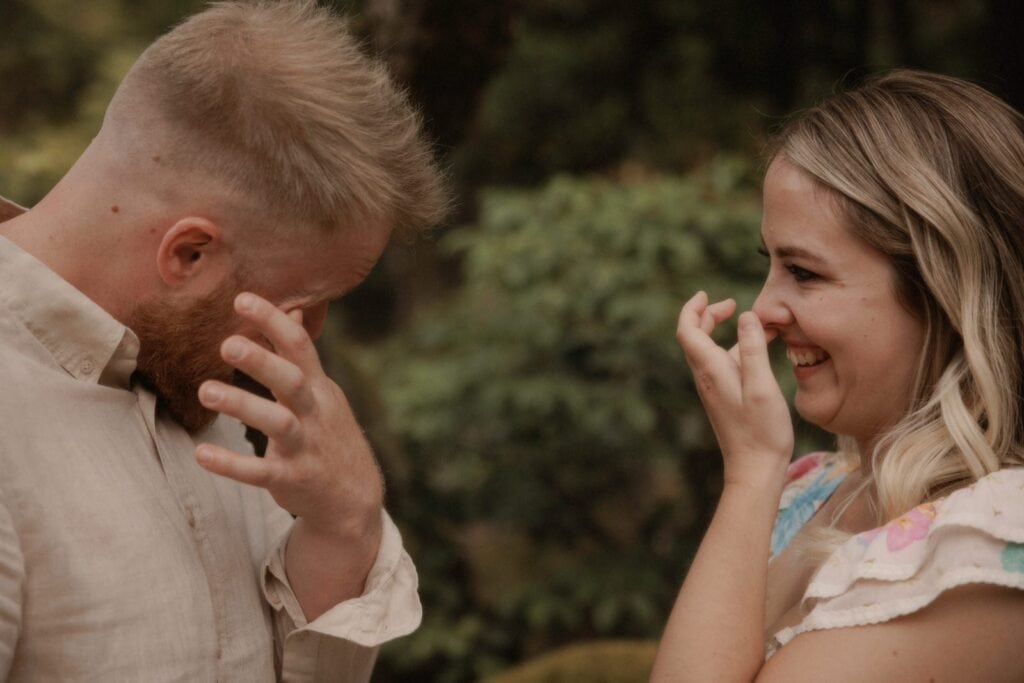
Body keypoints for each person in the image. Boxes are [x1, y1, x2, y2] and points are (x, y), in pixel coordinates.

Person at [0, 2, 446, 681]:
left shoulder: (190, 374)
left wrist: (344, 525)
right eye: (300, 303)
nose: (306, 340)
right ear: (189, 255)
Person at [651, 70, 1024, 681]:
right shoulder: (815, 488)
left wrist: (750, 473)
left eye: (804, 272)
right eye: (769, 264)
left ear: (941, 292)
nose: (764, 309)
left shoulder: (989, 543)